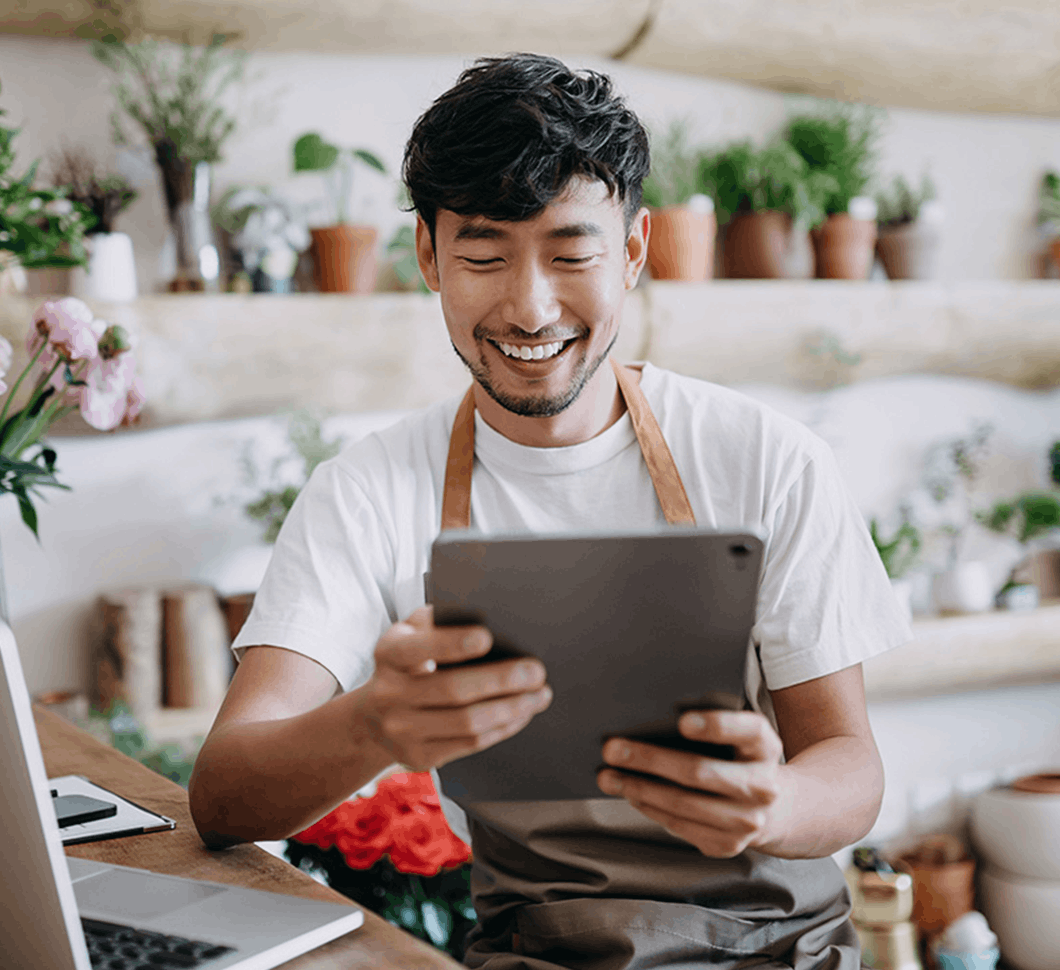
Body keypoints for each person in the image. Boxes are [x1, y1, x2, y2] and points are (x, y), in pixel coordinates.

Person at [189, 53, 913, 969]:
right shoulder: (367, 491)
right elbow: (220, 797)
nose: (530, 308)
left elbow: (850, 766)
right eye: (484, 256)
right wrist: (376, 723)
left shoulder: (766, 458)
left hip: (780, 947)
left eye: (572, 255)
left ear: (636, 251)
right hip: (537, 952)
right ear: (427, 256)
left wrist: (775, 802)